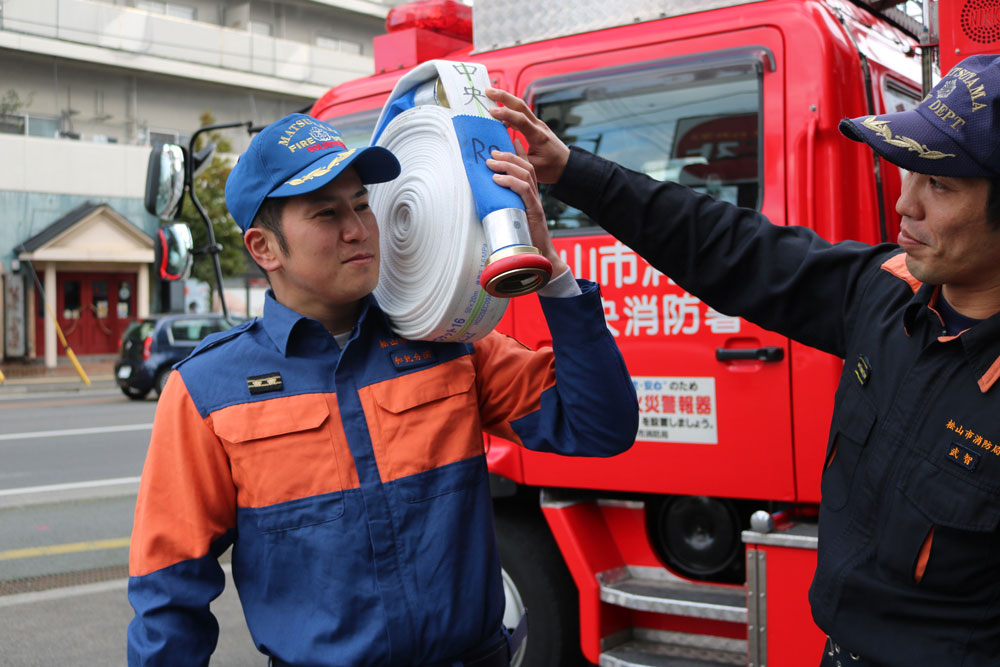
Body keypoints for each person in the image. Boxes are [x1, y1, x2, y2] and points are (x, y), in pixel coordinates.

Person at [485, 53, 1000, 666]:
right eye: (906, 173)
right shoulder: (886, 292)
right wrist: (571, 170)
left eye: (938, 183)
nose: (904, 205)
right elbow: (727, 245)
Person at [126, 113, 639, 666]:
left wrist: (553, 273)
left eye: (362, 205)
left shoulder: (450, 340)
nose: (358, 229)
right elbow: (169, 592)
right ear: (264, 248)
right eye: (326, 213)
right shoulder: (207, 391)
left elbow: (599, 428)